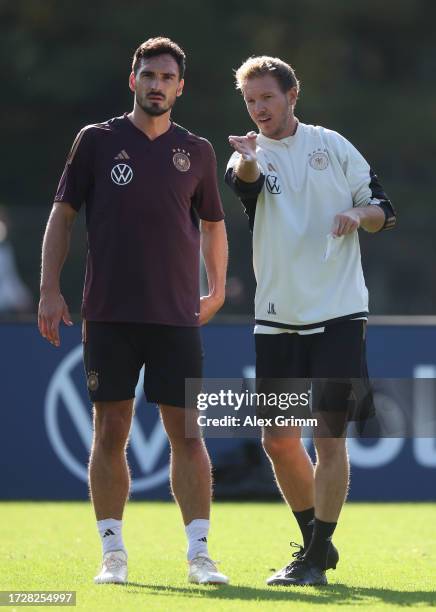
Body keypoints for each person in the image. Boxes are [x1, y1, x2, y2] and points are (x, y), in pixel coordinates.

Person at [38, 37, 229, 586]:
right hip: (110, 315)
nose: (157, 85)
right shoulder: (97, 141)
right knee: (109, 433)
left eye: (167, 77)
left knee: (188, 435)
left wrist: (215, 289)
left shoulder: (197, 151)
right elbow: (63, 216)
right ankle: (112, 553)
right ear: (133, 80)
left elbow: (213, 225)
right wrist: (50, 288)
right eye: (148, 75)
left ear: (180, 88)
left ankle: (198, 555)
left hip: (175, 317)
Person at [226, 55, 396, 586]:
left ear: (292, 95)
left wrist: (357, 216)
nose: (259, 109)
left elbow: (382, 209)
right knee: (277, 441)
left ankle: (316, 555)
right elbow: (246, 183)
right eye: (251, 101)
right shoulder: (245, 156)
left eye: (267, 98)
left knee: (329, 437)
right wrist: (251, 159)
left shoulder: (333, 145)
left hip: (339, 312)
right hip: (277, 319)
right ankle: (315, 542)